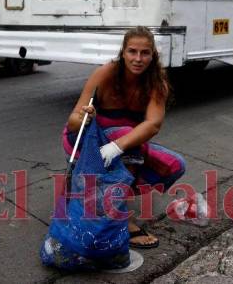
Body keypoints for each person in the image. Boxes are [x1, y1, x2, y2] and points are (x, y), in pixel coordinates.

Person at [63, 26, 186, 248]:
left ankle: (106, 196)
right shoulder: (105, 73)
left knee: (174, 164)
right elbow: (72, 122)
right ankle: (121, 219)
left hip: (123, 144)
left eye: (145, 53)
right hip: (87, 141)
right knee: (130, 141)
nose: (138, 59)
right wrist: (84, 117)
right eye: (132, 51)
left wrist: (115, 147)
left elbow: (153, 124)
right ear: (123, 52)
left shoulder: (157, 84)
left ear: (153, 55)